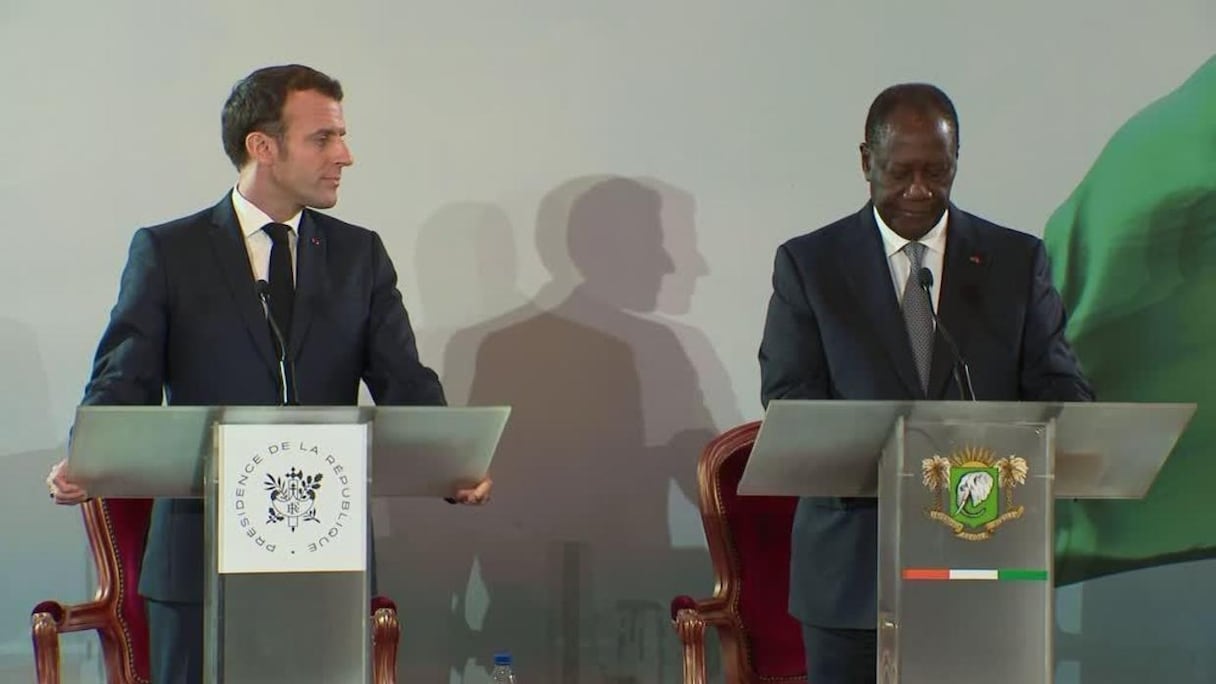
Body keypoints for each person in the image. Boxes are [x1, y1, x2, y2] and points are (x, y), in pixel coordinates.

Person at [45, 64, 492, 684]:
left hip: (324, 556)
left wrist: (452, 463)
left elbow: (404, 380)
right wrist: (86, 457)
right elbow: (124, 379)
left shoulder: (358, 254)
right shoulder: (170, 251)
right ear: (263, 146)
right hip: (199, 559)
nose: (346, 155)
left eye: (342, 136)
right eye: (324, 138)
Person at [757, 83, 1094, 683]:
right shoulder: (811, 266)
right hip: (854, 576)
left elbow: (1062, 393)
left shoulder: (1015, 262)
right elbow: (790, 401)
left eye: (937, 172)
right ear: (866, 162)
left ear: (957, 161)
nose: (919, 190)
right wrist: (900, 453)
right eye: (901, 172)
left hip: (985, 562)